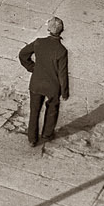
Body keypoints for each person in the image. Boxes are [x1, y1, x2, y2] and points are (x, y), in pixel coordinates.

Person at [19, 17, 70, 146]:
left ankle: (32, 139)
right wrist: (64, 92)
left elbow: (23, 54)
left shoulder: (38, 43)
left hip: (36, 82)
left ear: (48, 29)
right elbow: (62, 74)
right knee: (52, 109)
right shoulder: (62, 51)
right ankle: (47, 134)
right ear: (62, 31)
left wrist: (32, 68)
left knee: (34, 110)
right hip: (52, 86)